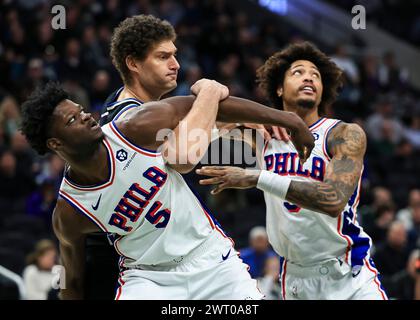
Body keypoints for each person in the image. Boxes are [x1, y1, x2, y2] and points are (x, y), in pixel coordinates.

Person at [20, 79, 313, 299]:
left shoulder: (134, 126)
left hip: (210, 258)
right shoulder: (71, 210)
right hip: (149, 279)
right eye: (73, 120)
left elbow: (202, 104)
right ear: (55, 144)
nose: (85, 116)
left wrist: (288, 119)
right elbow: (72, 281)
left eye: (81, 110)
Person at [197, 41, 388, 300]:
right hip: (296, 277)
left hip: (348, 274)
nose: (308, 76)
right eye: (298, 72)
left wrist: (257, 177)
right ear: (278, 88)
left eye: (316, 75)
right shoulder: (263, 135)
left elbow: (332, 199)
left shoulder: (343, 134)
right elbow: (204, 116)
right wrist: (260, 117)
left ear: (322, 92)